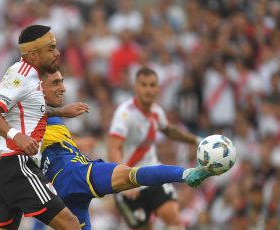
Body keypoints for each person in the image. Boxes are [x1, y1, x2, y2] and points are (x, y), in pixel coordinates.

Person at [33, 70, 214, 230]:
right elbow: (23, 111)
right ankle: (187, 175)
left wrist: (196, 139)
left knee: (169, 212)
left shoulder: (46, 118)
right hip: (73, 174)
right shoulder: (124, 114)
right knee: (131, 176)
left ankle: (187, 175)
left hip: (64, 186)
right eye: (56, 82)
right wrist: (62, 112)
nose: (63, 88)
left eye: (62, 81)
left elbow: (45, 136)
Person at [0, 25, 86, 230]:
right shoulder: (23, 73)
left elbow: (29, 110)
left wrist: (61, 112)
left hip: (2, 169)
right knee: (71, 224)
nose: (58, 52)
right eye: (51, 48)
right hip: (17, 164)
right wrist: (16, 136)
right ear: (33, 54)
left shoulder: (33, 77)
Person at [107, 67, 204, 230]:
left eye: (152, 85)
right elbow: (112, 148)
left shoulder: (156, 112)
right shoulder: (125, 114)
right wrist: (123, 180)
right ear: (135, 87)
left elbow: (170, 130)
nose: (148, 89)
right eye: (143, 85)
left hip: (152, 176)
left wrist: (197, 140)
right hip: (130, 182)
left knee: (174, 219)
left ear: (158, 89)